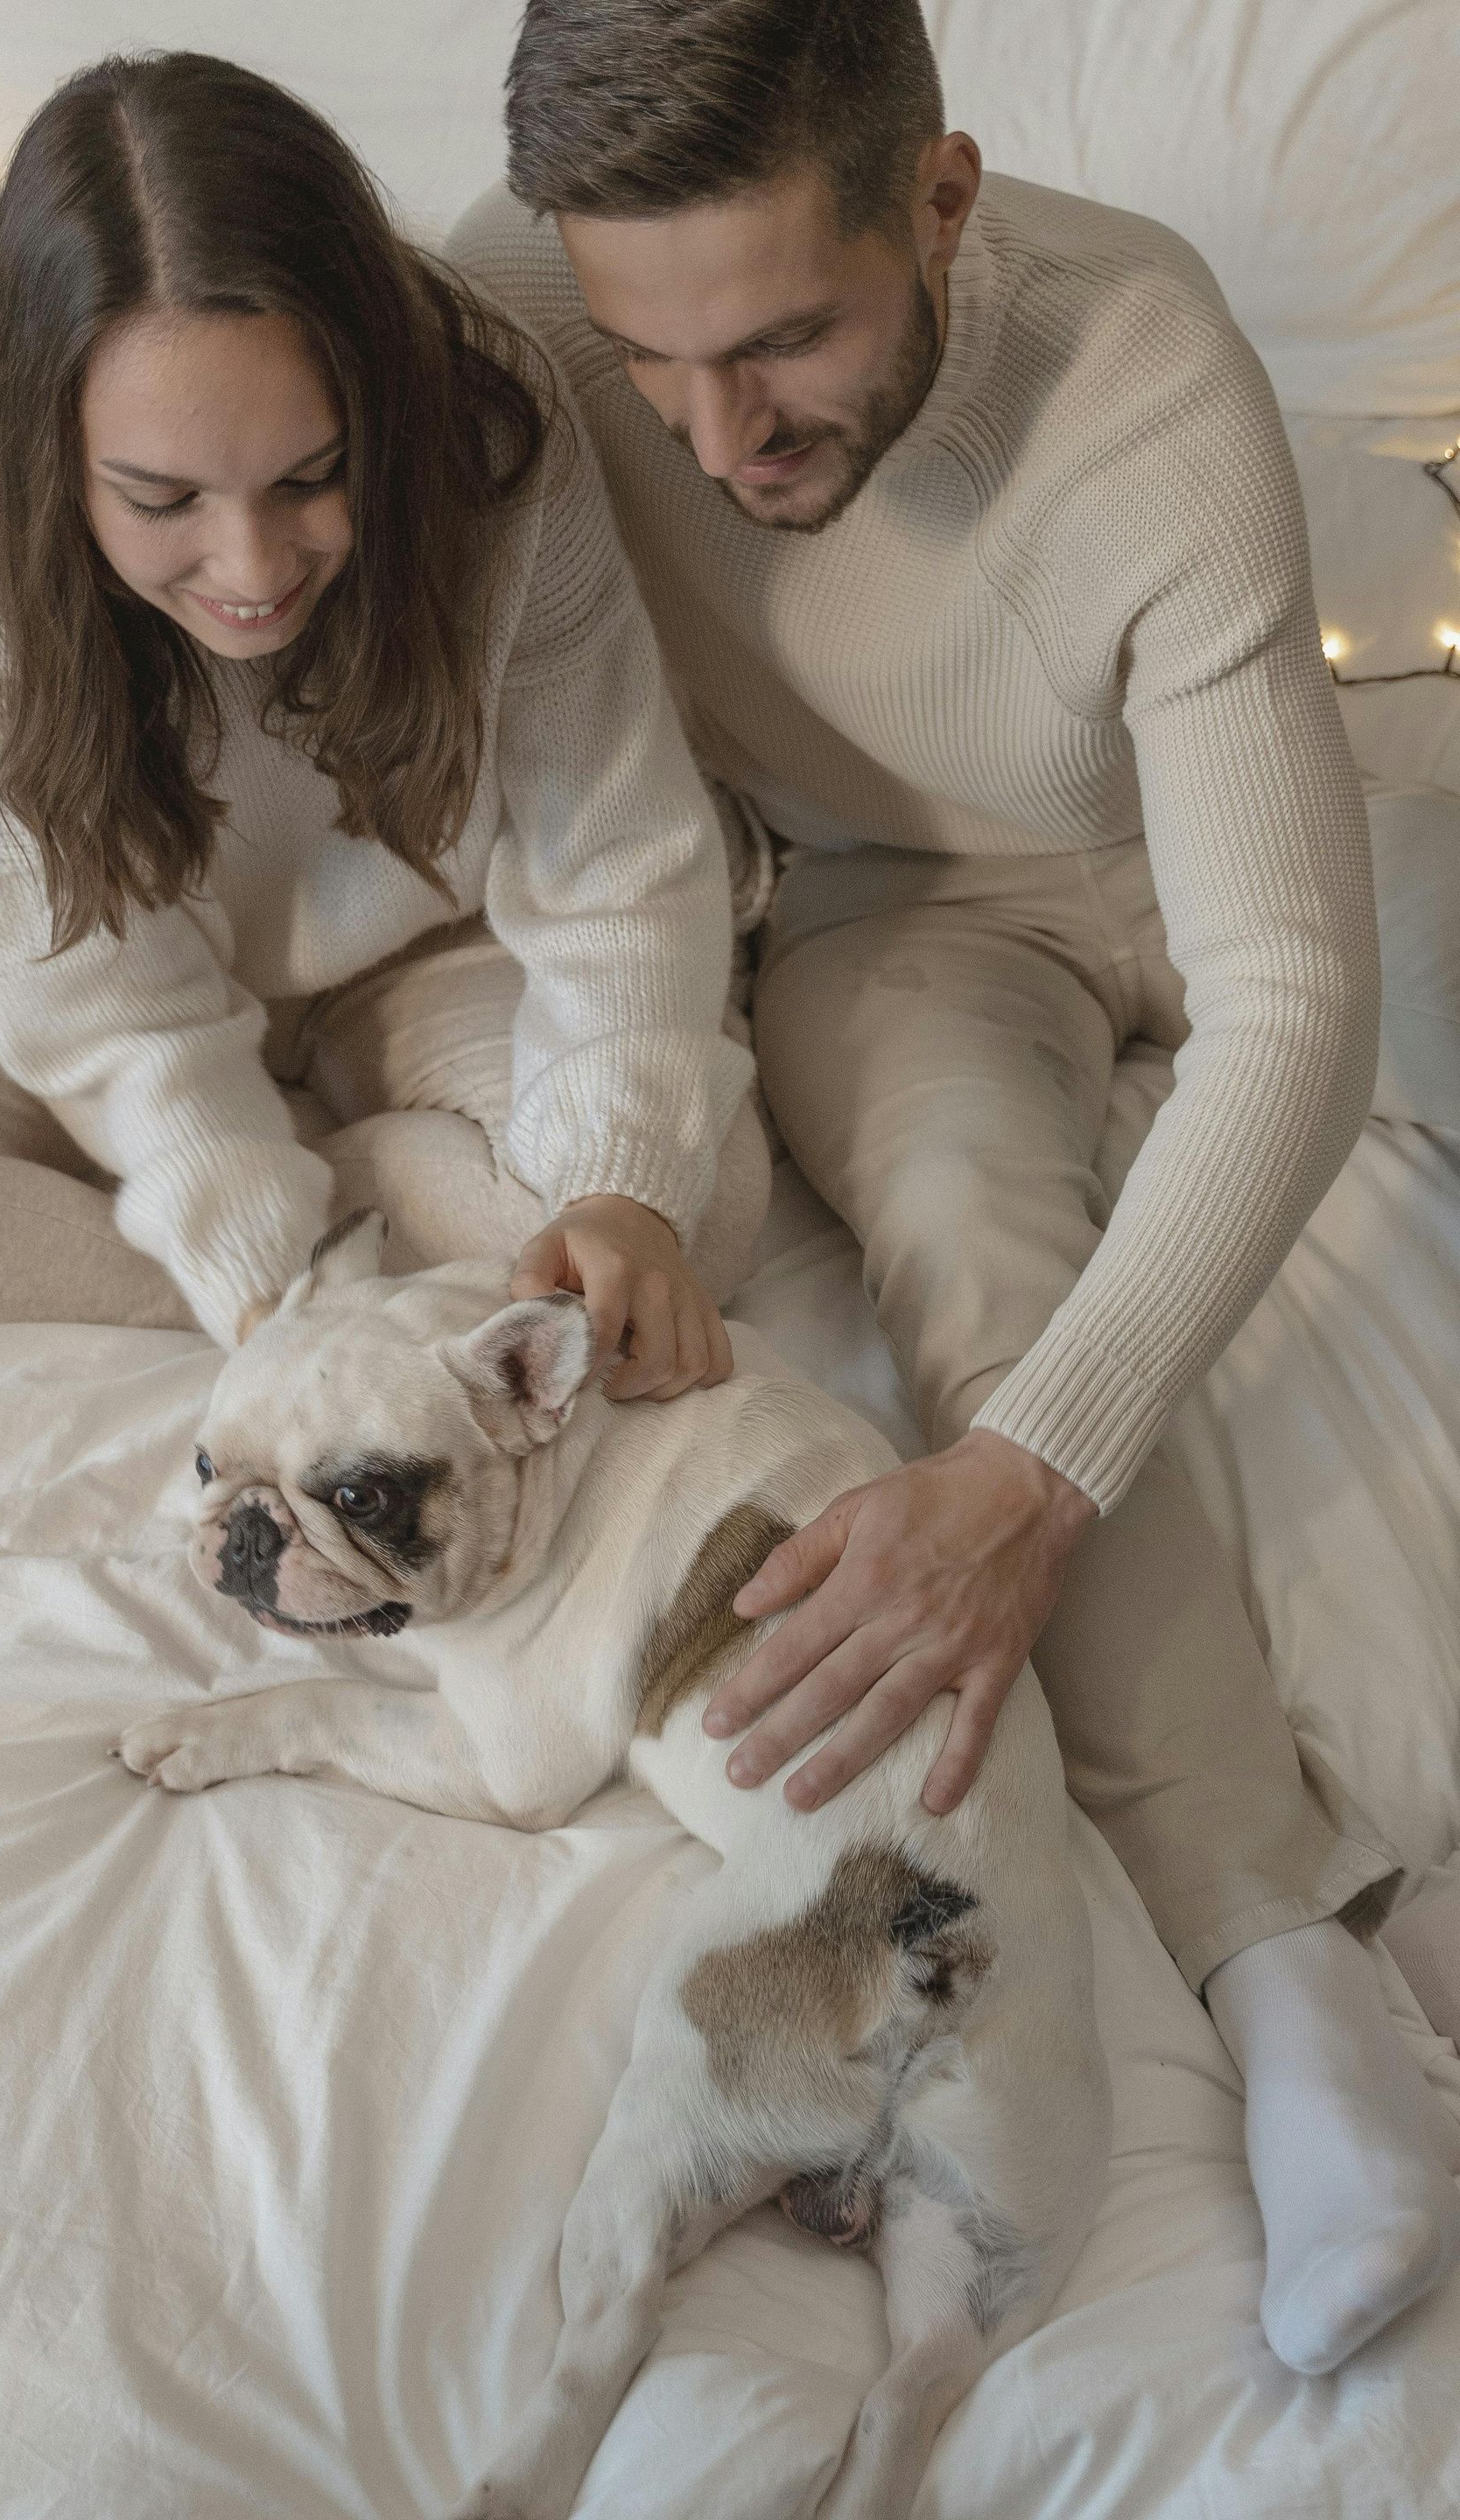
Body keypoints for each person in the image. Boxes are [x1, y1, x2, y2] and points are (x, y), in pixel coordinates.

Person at [453, 0, 1460, 2375]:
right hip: (913, 916)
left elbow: (1287, 995)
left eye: (788, 337)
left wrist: (1037, 1486)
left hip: (1263, 833)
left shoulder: (1136, 358)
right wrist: (1023, 1448)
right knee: (988, 1274)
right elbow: (190, 414)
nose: (718, 438)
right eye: (651, 361)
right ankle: (1289, 1962)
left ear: (941, 197)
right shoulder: (505, 307)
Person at [0, 48, 769, 1395]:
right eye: (163, 500)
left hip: (431, 949)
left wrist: (615, 1194)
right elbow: (98, 999)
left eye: (313, 476)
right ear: (51, 447)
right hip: (89, 970)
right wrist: (261, 1266)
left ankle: (315, 1206)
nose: (252, 572)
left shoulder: (488, 430)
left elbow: (617, 853)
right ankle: (326, 1253)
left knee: (679, 1220)